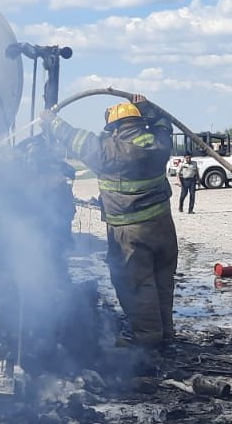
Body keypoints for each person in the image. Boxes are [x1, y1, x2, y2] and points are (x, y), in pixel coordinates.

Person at [41, 95, 178, 350]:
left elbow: (75, 138)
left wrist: (51, 121)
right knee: (162, 280)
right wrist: (149, 107)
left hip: (131, 231)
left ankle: (147, 338)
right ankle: (165, 333)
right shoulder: (160, 144)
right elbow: (164, 123)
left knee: (137, 283)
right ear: (139, 122)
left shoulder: (109, 151)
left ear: (115, 128)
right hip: (163, 227)